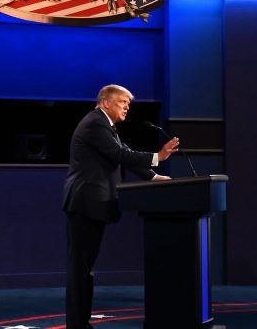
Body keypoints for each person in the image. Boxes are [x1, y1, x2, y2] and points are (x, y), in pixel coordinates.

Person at [62, 84, 179, 329]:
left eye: (128, 103)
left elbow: (122, 152)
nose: (127, 107)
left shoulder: (106, 125)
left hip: (90, 203)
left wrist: (153, 176)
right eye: (123, 102)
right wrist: (157, 156)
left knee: (85, 268)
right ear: (106, 102)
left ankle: (80, 324)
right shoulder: (96, 123)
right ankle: (77, 325)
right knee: (80, 269)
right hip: (85, 202)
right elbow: (119, 154)